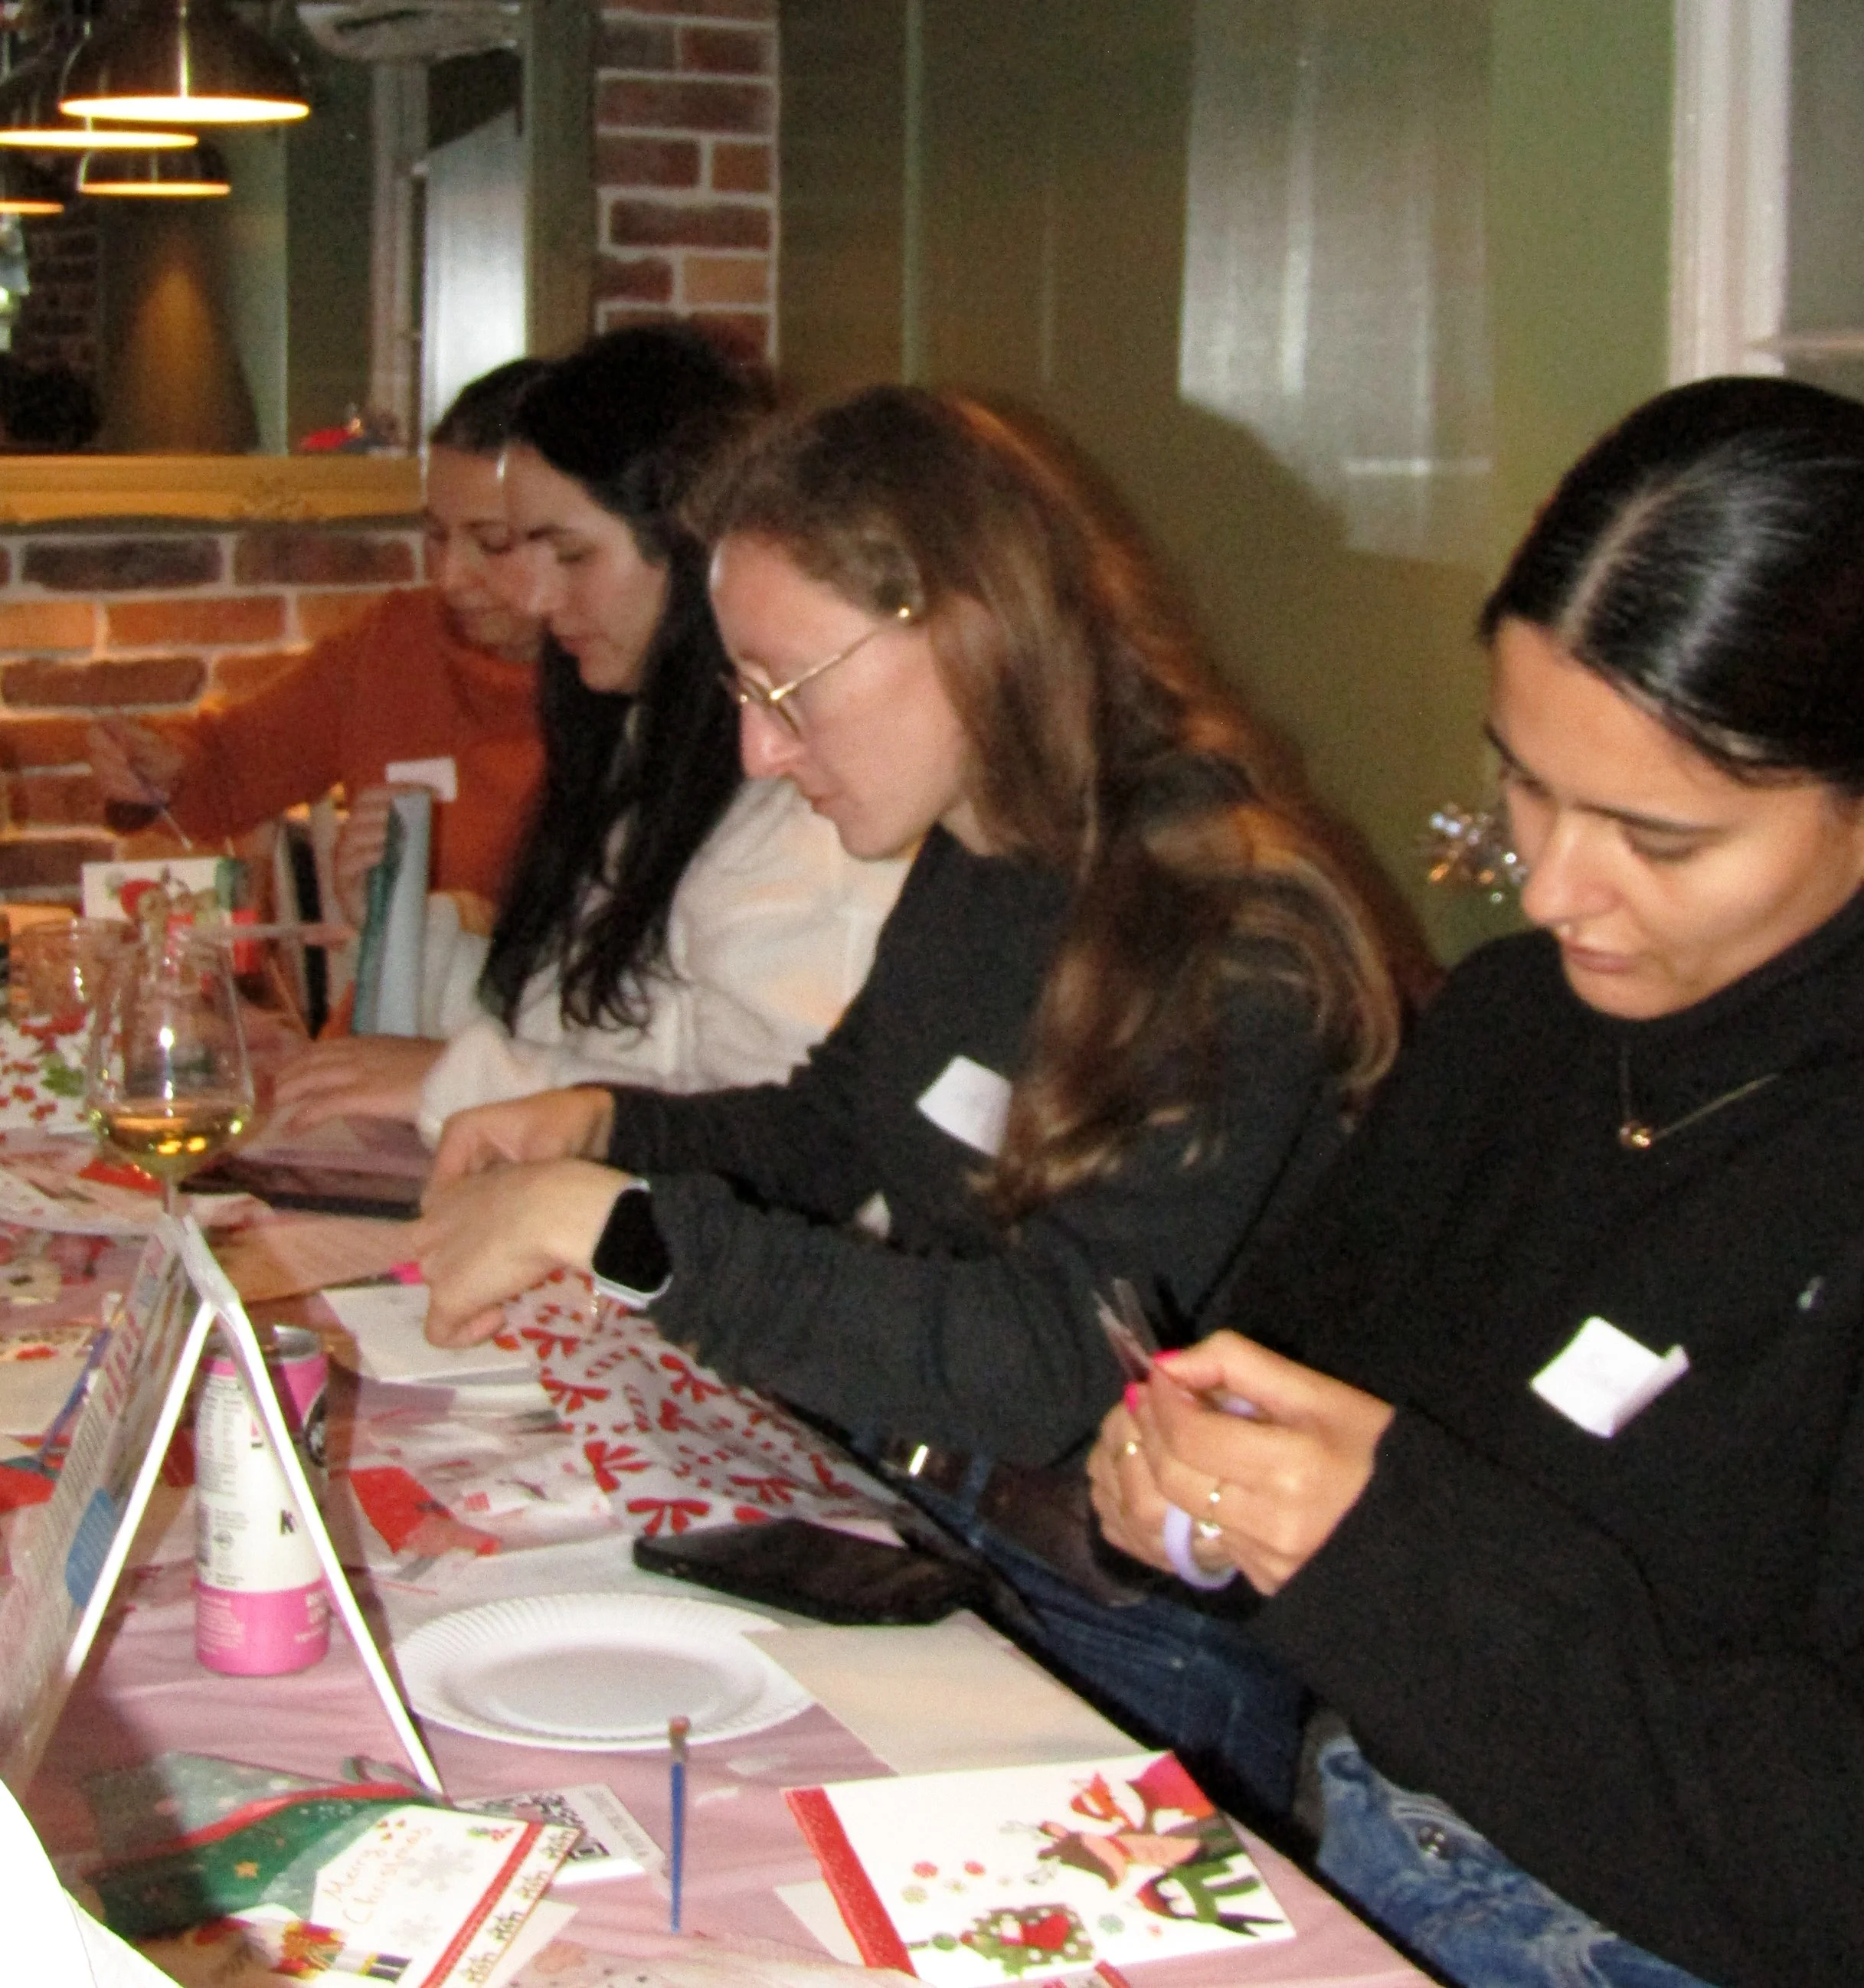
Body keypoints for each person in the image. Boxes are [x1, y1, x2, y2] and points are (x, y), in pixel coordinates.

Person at [409, 384, 1402, 1816]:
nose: (756, 751)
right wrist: (602, 1127)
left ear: (966, 628)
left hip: (1135, 1628)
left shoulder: (1225, 929)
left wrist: (615, 1223)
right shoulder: (982, 843)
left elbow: (1054, 1360)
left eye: (785, 689)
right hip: (926, 1519)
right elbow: (833, 1126)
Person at [1088, 376, 1864, 1988]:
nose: (1546, 886)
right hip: (1364, 1851)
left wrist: (1381, 1557)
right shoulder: (1516, 1030)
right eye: (1520, 784)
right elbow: (1281, 1372)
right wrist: (1191, 1501)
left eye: (1656, 839)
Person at [273, 326, 905, 1139]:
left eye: (568, 556)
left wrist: (456, 1080)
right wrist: (406, 929)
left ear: (686, 545)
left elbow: (765, 1131)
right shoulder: (644, 743)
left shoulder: (802, 801)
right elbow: (581, 1023)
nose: (532, 598)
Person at [87, 358, 550, 924]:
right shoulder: (398, 641)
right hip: (390, 1012)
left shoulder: (627, 687)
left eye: (493, 542)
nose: (451, 575)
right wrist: (164, 765)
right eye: (434, 535)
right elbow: (231, 766)